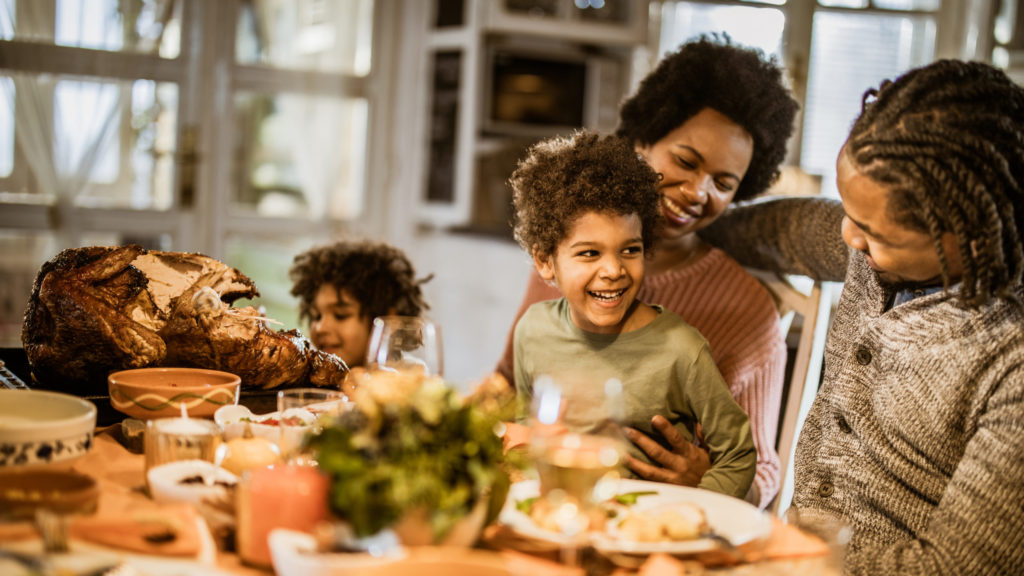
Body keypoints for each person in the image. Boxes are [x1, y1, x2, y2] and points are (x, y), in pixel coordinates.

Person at [690, 59, 1024, 574]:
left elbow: (961, 567)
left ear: (972, 234)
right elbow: (784, 230)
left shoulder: (1010, 357)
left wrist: (771, 552)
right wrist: (657, 232)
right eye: (849, 212)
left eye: (875, 232)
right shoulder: (871, 255)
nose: (849, 237)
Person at [496, 34, 799, 508]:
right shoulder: (569, 253)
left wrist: (703, 481)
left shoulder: (746, 310)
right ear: (643, 140)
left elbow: (761, 468)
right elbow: (511, 382)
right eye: (685, 161)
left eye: (723, 183)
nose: (698, 191)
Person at [510, 130, 756, 499]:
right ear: (545, 261)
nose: (613, 270)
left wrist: (696, 506)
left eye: (630, 250)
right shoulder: (532, 331)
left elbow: (737, 455)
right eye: (589, 253)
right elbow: (525, 429)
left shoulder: (682, 349)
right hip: (560, 515)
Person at [289, 239, 431, 370]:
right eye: (317, 316)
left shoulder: (409, 382)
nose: (320, 328)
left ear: (390, 321)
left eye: (340, 315)